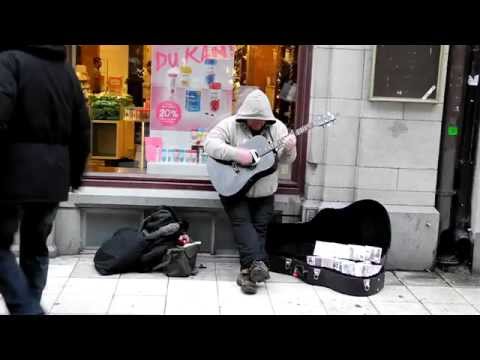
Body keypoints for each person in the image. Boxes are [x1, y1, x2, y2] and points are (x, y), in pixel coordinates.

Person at [0, 46, 91, 314]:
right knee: (36, 245)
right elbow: (82, 127)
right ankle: (31, 300)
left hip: (12, 173)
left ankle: (27, 308)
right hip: (54, 177)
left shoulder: (9, 61)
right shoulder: (65, 70)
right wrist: (74, 175)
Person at [204, 89, 297, 294]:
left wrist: (290, 147)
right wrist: (238, 154)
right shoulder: (229, 125)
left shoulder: (279, 129)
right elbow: (209, 144)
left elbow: (286, 159)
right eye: (252, 120)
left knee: (259, 229)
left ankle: (249, 274)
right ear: (244, 116)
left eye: (261, 120)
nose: (257, 123)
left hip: (264, 191)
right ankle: (258, 263)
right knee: (243, 225)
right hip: (232, 187)